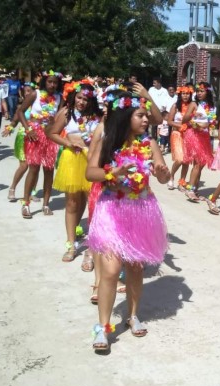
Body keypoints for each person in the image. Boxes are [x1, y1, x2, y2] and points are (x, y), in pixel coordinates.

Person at [86, 92, 170, 352]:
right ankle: (103, 327)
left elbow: (163, 176)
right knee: (111, 271)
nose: (147, 119)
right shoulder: (107, 141)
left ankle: (133, 315)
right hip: (112, 208)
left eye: (146, 115)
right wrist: (113, 172)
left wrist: (163, 173)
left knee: (135, 269)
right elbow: (90, 172)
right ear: (126, 116)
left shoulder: (150, 143)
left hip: (140, 210)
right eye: (140, 115)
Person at [46, 81, 103, 262]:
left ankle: (91, 248)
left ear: (91, 100)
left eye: (86, 99)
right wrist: (69, 143)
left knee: (91, 201)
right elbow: (52, 133)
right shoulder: (66, 113)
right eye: (79, 97)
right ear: (73, 97)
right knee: (72, 202)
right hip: (72, 160)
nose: (82, 102)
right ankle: (71, 244)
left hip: (91, 160)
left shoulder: (98, 116)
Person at [17, 70, 63, 217]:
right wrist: (28, 129)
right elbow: (20, 111)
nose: (52, 85)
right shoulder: (35, 94)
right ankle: (26, 203)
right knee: (34, 168)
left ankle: (46, 204)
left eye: (55, 82)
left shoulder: (59, 98)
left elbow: (62, 117)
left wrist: (55, 122)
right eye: (50, 81)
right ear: (44, 82)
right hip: (35, 135)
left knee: (49, 170)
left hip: (50, 136)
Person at [2, 82, 39, 201]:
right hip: (23, 137)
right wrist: (9, 128)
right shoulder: (21, 107)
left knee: (35, 166)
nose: (27, 93)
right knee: (24, 166)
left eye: (30, 91)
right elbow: (14, 122)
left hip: (36, 138)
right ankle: (12, 188)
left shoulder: (38, 106)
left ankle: (32, 191)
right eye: (26, 91)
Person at [181, 81, 216, 201]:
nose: (199, 93)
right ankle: (190, 189)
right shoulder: (194, 104)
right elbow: (184, 119)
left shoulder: (212, 106)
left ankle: (195, 189)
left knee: (201, 164)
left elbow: (211, 122)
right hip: (194, 135)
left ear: (208, 92)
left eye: (202, 91)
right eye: (198, 91)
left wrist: (210, 125)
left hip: (205, 136)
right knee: (197, 163)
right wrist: (192, 119)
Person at [167, 84, 193, 191]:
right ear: (180, 94)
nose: (185, 96)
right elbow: (169, 121)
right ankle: (171, 176)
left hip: (188, 135)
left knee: (186, 161)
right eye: (183, 94)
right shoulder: (175, 106)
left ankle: (182, 181)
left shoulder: (193, 106)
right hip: (177, 134)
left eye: (187, 94)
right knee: (179, 159)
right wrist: (180, 126)